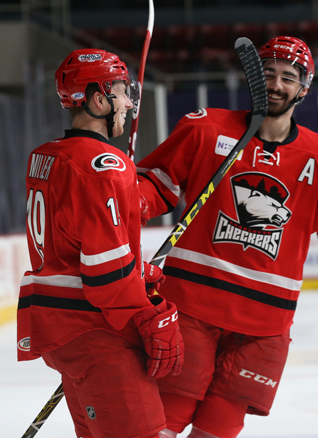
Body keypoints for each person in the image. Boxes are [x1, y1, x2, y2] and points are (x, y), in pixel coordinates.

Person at [136, 36, 318, 438]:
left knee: (220, 425)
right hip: (192, 309)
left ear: (303, 89)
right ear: (251, 76)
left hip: (265, 326)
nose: (276, 84)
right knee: (163, 420)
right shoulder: (205, 128)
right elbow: (155, 185)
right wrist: (124, 198)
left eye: (289, 77)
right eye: (267, 72)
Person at [17, 48, 184, 438]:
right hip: (97, 331)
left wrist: (137, 270)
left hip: (61, 329)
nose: (128, 103)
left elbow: (73, 245)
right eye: (122, 92)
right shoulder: (104, 166)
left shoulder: (44, 157)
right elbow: (106, 276)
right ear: (98, 99)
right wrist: (149, 312)